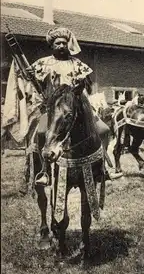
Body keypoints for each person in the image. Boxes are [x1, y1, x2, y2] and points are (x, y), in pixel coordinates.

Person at [25, 27, 111, 185]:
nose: (61, 46)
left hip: (77, 106)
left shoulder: (77, 64)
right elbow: (31, 81)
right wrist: (29, 76)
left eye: (64, 43)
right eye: (57, 43)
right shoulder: (42, 63)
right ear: (52, 46)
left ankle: (101, 167)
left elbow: (87, 83)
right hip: (53, 108)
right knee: (43, 131)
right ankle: (45, 171)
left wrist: (81, 84)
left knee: (104, 130)